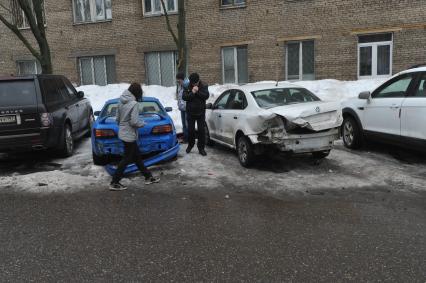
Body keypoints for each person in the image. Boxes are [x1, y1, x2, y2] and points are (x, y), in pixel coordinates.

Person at [110, 83, 160, 191]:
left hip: (123, 133)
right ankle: (114, 182)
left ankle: (148, 177)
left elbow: (117, 120)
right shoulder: (134, 104)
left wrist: (124, 126)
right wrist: (142, 123)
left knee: (137, 157)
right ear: (137, 93)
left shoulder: (120, 101)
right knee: (127, 158)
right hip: (129, 135)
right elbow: (134, 122)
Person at [182, 73, 209, 156]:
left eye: (196, 83)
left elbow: (206, 96)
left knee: (201, 131)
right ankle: (190, 145)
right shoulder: (187, 86)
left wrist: (197, 92)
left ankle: (201, 148)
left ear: (198, 81)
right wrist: (192, 92)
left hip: (201, 112)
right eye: (193, 83)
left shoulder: (204, 85)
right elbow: (184, 97)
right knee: (191, 131)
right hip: (190, 112)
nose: (194, 84)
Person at [176, 72, 188, 143]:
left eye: (178, 80)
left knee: (187, 124)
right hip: (182, 108)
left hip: (186, 108)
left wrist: (183, 83)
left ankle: (188, 138)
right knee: (184, 124)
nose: (177, 81)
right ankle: (185, 138)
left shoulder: (186, 85)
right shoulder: (179, 85)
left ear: (182, 79)